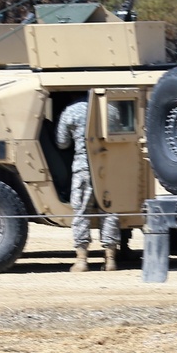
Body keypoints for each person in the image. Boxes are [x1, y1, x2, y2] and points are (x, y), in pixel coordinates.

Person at [56, 95, 120, 272]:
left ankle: (82, 260)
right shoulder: (112, 109)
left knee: (82, 211)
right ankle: (110, 260)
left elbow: (62, 143)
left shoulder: (70, 111)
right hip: (108, 167)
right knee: (109, 210)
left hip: (82, 168)